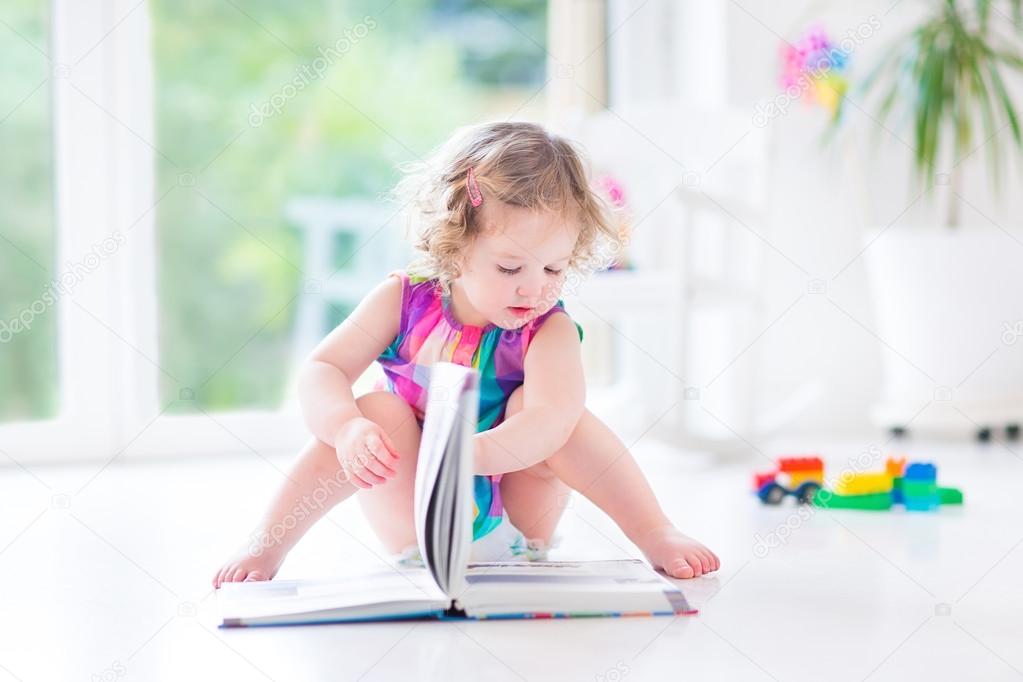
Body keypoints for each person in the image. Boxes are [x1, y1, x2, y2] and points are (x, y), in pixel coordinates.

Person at [213, 121, 719, 588]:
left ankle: (654, 530)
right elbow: (323, 368)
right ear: (455, 248)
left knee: (557, 417)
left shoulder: (550, 329)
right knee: (375, 411)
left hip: (518, 524)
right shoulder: (403, 299)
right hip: (415, 518)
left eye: (553, 269)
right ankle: (267, 545)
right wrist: (346, 428)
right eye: (510, 267)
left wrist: (469, 455)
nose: (534, 289)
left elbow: (550, 421)